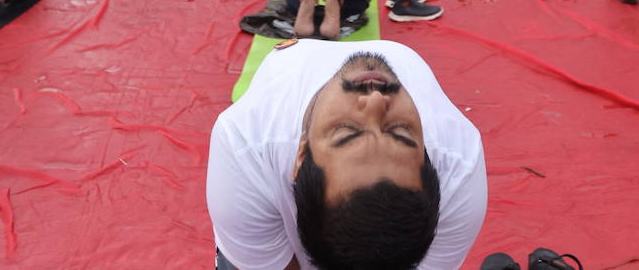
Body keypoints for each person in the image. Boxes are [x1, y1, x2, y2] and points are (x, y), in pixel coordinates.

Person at [206, 41, 486, 270]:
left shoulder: (460, 172)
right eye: (401, 132)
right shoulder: (245, 143)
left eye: (347, 131)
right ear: (300, 152)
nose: (375, 99)